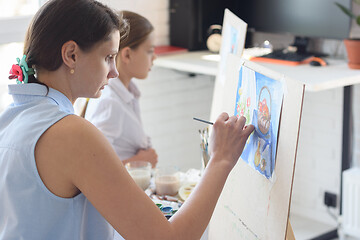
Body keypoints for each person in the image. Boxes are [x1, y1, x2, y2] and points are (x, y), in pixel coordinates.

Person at [0, 0, 254, 239]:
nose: (114, 71)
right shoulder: (70, 132)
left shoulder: (10, 117)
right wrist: (220, 159)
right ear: (71, 55)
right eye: (108, 57)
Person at [85, 11, 158, 168]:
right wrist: (140, 161)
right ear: (127, 55)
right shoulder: (110, 102)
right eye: (150, 51)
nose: (155, 57)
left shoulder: (129, 92)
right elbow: (93, 166)